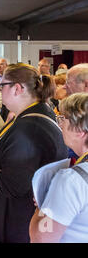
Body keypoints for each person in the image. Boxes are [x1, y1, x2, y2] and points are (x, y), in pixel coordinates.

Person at [0, 63, 68, 243]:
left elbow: (11, 184)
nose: (0, 90)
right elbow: (14, 148)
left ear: (17, 88)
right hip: (15, 220)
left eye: (2, 86)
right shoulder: (34, 116)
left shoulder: (30, 128)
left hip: (12, 225)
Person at [30, 93, 88, 243]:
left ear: (81, 131)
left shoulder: (71, 179)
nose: (60, 125)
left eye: (64, 119)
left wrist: (41, 207)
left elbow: (41, 237)